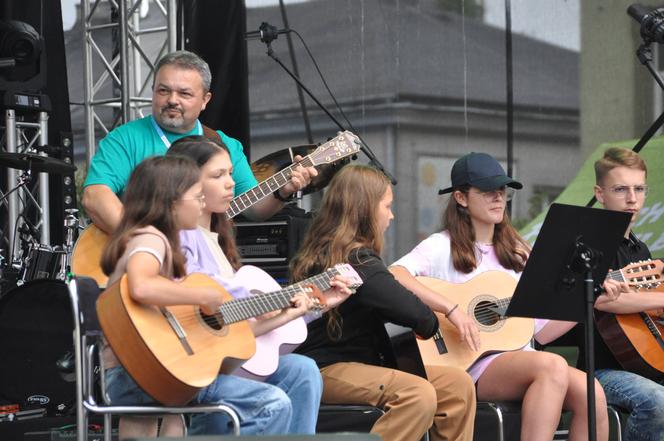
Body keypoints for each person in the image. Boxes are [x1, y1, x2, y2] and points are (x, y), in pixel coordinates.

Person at [389, 152, 620, 441]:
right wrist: (451, 309)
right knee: (552, 365)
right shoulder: (440, 246)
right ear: (461, 198)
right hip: (472, 362)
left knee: (592, 392)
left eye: (502, 190)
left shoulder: (519, 251)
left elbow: (542, 333)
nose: (499, 197)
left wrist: (590, 299)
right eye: (487, 191)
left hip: (527, 360)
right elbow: (395, 275)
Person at [166, 136, 354, 435]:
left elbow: (253, 313)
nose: (231, 183)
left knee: (303, 371)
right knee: (275, 400)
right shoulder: (181, 240)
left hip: (230, 354)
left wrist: (318, 303)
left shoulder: (218, 238)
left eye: (230, 173)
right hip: (202, 362)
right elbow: (219, 320)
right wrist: (287, 309)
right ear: (187, 183)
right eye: (219, 175)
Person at [99, 155, 294, 439]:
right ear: (171, 202)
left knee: (173, 421)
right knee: (272, 403)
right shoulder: (150, 238)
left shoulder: (161, 241)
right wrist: (202, 294)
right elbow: (140, 286)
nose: (203, 205)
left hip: (149, 372)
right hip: (135, 373)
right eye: (198, 197)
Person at [289, 164, 477, 441]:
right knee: (415, 394)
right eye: (387, 206)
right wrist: (439, 313)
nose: (392, 215)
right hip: (326, 368)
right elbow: (421, 318)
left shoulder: (343, 254)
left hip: (364, 364)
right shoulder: (357, 261)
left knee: (456, 384)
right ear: (365, 210)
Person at [82, 50, 316, 234]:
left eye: (184, 94)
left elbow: (254, 209)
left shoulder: (223, 145)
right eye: (163, 91)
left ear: (205, 100)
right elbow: (95, 195)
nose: (172, 100)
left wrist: (283, 191)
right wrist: (146, 243)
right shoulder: (124, 139)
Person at [582, 147, 664, 441]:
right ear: (600, 193)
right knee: (658, 402)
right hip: (601, 371)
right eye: (621, 189)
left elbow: (647, 308)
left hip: (649, 364)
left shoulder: (640, 250)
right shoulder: (589, 243)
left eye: (639, 189)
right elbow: (603, 299)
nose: (633, 198)